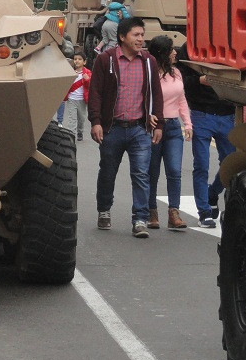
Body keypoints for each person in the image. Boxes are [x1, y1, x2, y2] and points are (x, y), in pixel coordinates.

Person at [88, 16, 164, 238]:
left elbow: (156, 94)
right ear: (122, 37)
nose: (141, 39)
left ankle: (139, 219)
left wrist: (158, 123)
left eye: (142, 35)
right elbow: (96, 93)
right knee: (108, 172)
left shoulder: (149, 61)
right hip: (112, 129)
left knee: (141, 174)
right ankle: (104, 210)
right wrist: (96, 122)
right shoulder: (106, 60)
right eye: (136, 35)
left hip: (139, 129)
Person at [176, 43, 235, 228]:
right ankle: (204, 211)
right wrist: (199, 80)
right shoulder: (190, 46)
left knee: (231, 163)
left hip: (228, 112)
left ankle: (212, 193)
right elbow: (180, 80)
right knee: (201, 164)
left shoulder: (232, 42)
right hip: (200, 112)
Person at [146, 36, 191, 230]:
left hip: (173, 127)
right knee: (152, 172)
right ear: (161, 53)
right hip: (154, 126)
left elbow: (181, 100)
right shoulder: (148, 74)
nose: (175, 53)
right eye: (171, 50)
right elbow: (141, 98)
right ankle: (151, 211)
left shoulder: (176, 73)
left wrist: (187, 124)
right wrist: (147, 116)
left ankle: (174, 212)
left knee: (174, 171)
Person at [63, 52, 91, 141]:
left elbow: (91, 86)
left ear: (84, 62)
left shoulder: (88, 73)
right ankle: (71, 135)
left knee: (81, 118)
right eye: (75, 59)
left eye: (79, 59)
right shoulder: (70, 72)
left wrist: (87, 80)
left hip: (82, 100)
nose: (77, 61)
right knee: (72, 119)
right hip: (72, 99)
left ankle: (80, 131)